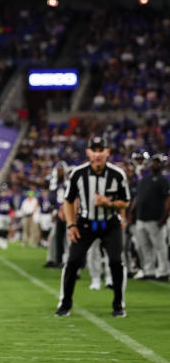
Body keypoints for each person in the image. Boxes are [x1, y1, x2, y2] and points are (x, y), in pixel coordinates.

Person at [56, 136, 131, 318]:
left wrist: (109, 203)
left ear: (108, 152)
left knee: (116, 262)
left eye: (101, 150)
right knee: (72, 262)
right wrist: (71, 225)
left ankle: (118, 304)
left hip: (110, 223)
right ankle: (64, 304)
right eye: (94, 150)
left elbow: (126, 202)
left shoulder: (117, 174)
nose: (97, 154)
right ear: (88, 152)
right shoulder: (79, 173)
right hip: (85, 223)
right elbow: (68, 200)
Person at [128, 153, 169, 281]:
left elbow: (168, 199)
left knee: (160, 246)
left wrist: (164, 217)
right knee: (144, 247)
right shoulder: (144, 180)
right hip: (141, 218)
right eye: (154, 161)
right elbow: (137, 198)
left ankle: (163, 272)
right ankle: (148, 271)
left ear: (162, 164)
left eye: (158, 162)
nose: (155, 163)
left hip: (155, 219)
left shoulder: (163, 180)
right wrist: (131, 212)